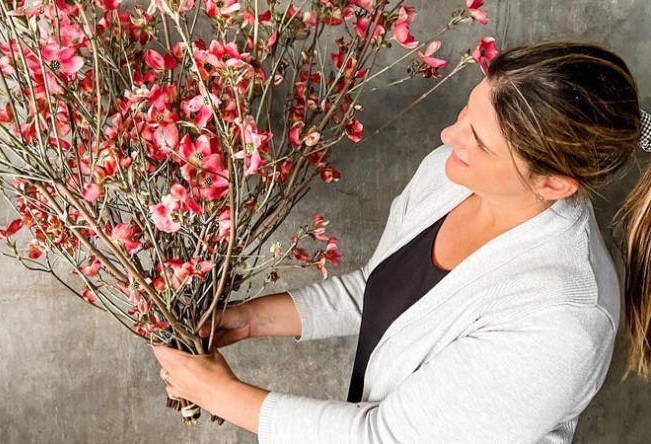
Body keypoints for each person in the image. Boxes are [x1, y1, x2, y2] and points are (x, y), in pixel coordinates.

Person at [151, 38, 651, 443]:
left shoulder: (562, 320)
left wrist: (219, 394)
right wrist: (248, 320)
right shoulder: (450, 175)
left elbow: (387, 437)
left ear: (553, 184)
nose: (447, 136)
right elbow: (381, 288)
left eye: (478, 139)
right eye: (466, 113)